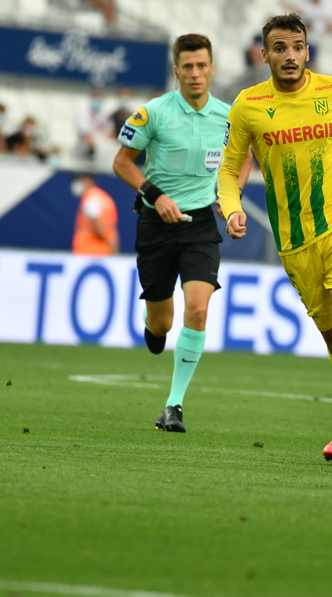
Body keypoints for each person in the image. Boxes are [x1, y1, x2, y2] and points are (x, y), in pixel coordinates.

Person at [219, 14, 332, 465]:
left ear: (307, 51)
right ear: (265, 55)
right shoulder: (247, 106)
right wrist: (232, 207)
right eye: (279, 48)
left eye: (296, 46)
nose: (289, 55)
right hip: (295, 240)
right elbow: (229, 167)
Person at [112, 34, 251, 434]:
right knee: (162, 324)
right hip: (156, 224)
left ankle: (174, 405)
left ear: (211, 69)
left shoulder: (228, 117)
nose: (194, 74)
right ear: (176, 71)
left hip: (200, 227)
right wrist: (155, 196)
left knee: (199, 309)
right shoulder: (152, 113)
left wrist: (231, 199)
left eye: (201, 66)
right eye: (186, 67)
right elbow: (122, 163)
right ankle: (151, 323)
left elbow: (242, 160)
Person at [71, 173, 118, 255]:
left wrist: (107, 241)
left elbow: (96, 225)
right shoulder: (103, 197)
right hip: (104, 250)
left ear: (88, 180)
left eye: (80, 180)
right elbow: (112, 228)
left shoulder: (90, 199)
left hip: (89, 251)